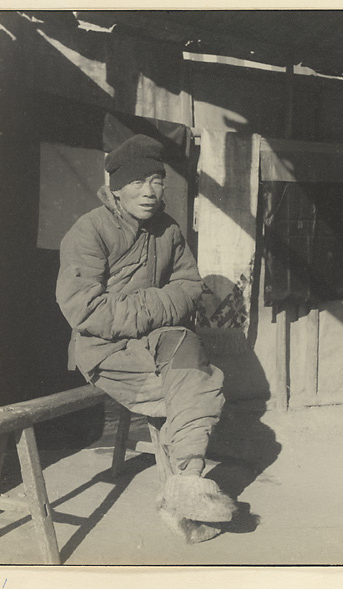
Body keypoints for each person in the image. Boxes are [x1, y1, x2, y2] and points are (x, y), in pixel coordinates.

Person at [56, 134, 235, 543]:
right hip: (106, 350)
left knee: (190, 357)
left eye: (157, 180)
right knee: (197, 386)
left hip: (160, 339)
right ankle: (183, 501)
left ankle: (186, 483)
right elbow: (86, 310)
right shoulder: (89, 231)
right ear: (116, 186)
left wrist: (147, 307)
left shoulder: (168, 230)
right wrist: (155, 304)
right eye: (138, 182)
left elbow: (190, 286)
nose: (150, 192)